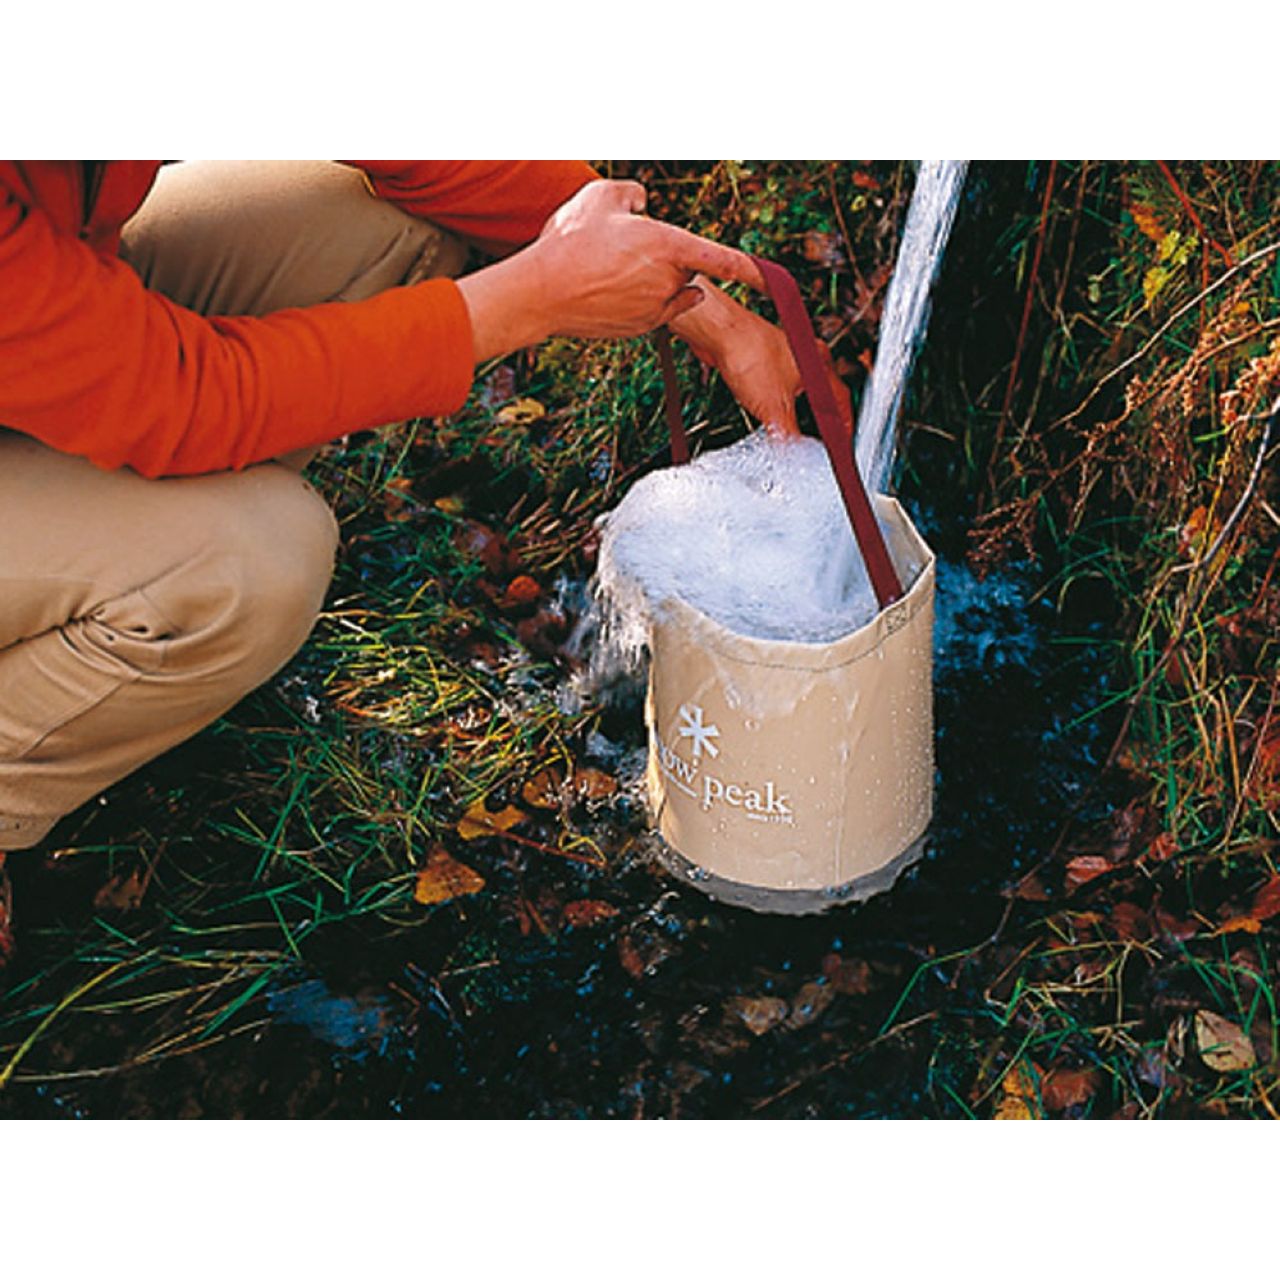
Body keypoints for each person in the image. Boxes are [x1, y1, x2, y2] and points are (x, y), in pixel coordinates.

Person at [0, 160, 832, 877]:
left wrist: (708, 314)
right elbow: (179, 395)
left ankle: (130, 567)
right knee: (250, 562)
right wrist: (535, 297)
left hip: (47, 303)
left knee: (373, 227)